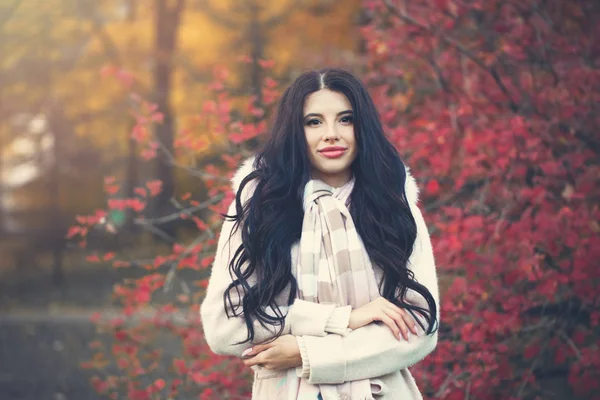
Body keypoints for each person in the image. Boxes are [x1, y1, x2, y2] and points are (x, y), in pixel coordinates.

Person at [200, 68, 440, 400]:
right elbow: (224, 328)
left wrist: (305, 351)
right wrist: (344, 319)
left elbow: (419, 331)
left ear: (363, 127)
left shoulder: (393, 208)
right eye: (313, 122)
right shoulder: (261, 209)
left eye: (345, 119)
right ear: (294, 131)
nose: (331, 134)